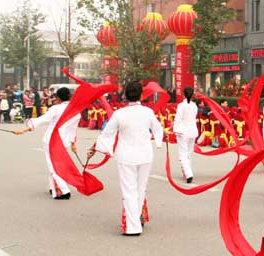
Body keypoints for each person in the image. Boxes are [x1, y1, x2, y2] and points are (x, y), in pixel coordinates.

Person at [88, 81, 163, 236]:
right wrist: (159, 140)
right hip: (145, 155)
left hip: (126, 156)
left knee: (129, 191)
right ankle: (136, 221)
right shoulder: (147, 112)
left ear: (125, 96)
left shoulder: (119, 114)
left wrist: (96, 148)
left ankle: (133, 226)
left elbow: (106, 134)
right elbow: (158, 129)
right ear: (141, 95)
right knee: (140, 189)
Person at [13, 87, 78, 199]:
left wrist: (24, 129)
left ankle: (63, 191)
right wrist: (73, 143)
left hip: (52, 141)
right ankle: (53, 186)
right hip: (65, 142)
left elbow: (41, 120)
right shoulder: (75, 110)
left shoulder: (56, 109)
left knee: (53, 165)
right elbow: (73, 129)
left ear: (58, 98)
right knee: (55, 164)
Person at [173, 87, 198, 183]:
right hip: (192, 131)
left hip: (183, 132)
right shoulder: (194, 106)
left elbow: (178, 119)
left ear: (184, 94)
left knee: (183, 154)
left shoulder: (181, 106)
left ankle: (188, 174)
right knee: (188, 153)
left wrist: (174, 129)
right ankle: (186, 172)